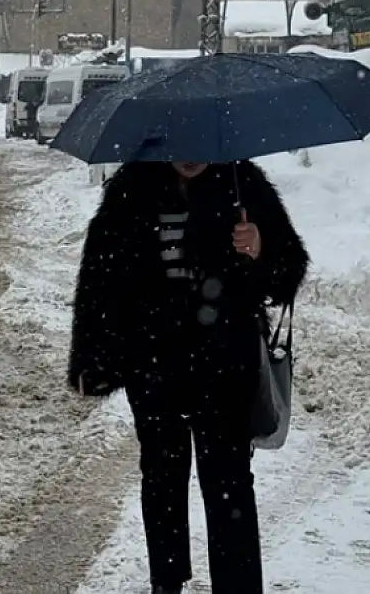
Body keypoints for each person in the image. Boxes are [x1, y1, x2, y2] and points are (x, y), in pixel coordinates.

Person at [67, 159, 308, 594]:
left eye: (197, 145)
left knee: (230, 486)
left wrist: (261, 249)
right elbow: (99, 278)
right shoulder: (131, 188)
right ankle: (167, 581)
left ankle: (236, 587)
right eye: (178, 144)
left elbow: (289, 269)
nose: (189, 156)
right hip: (154, 368)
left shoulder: (241, 182)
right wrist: (92, 357)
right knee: (162, 480)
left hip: (225, 371)